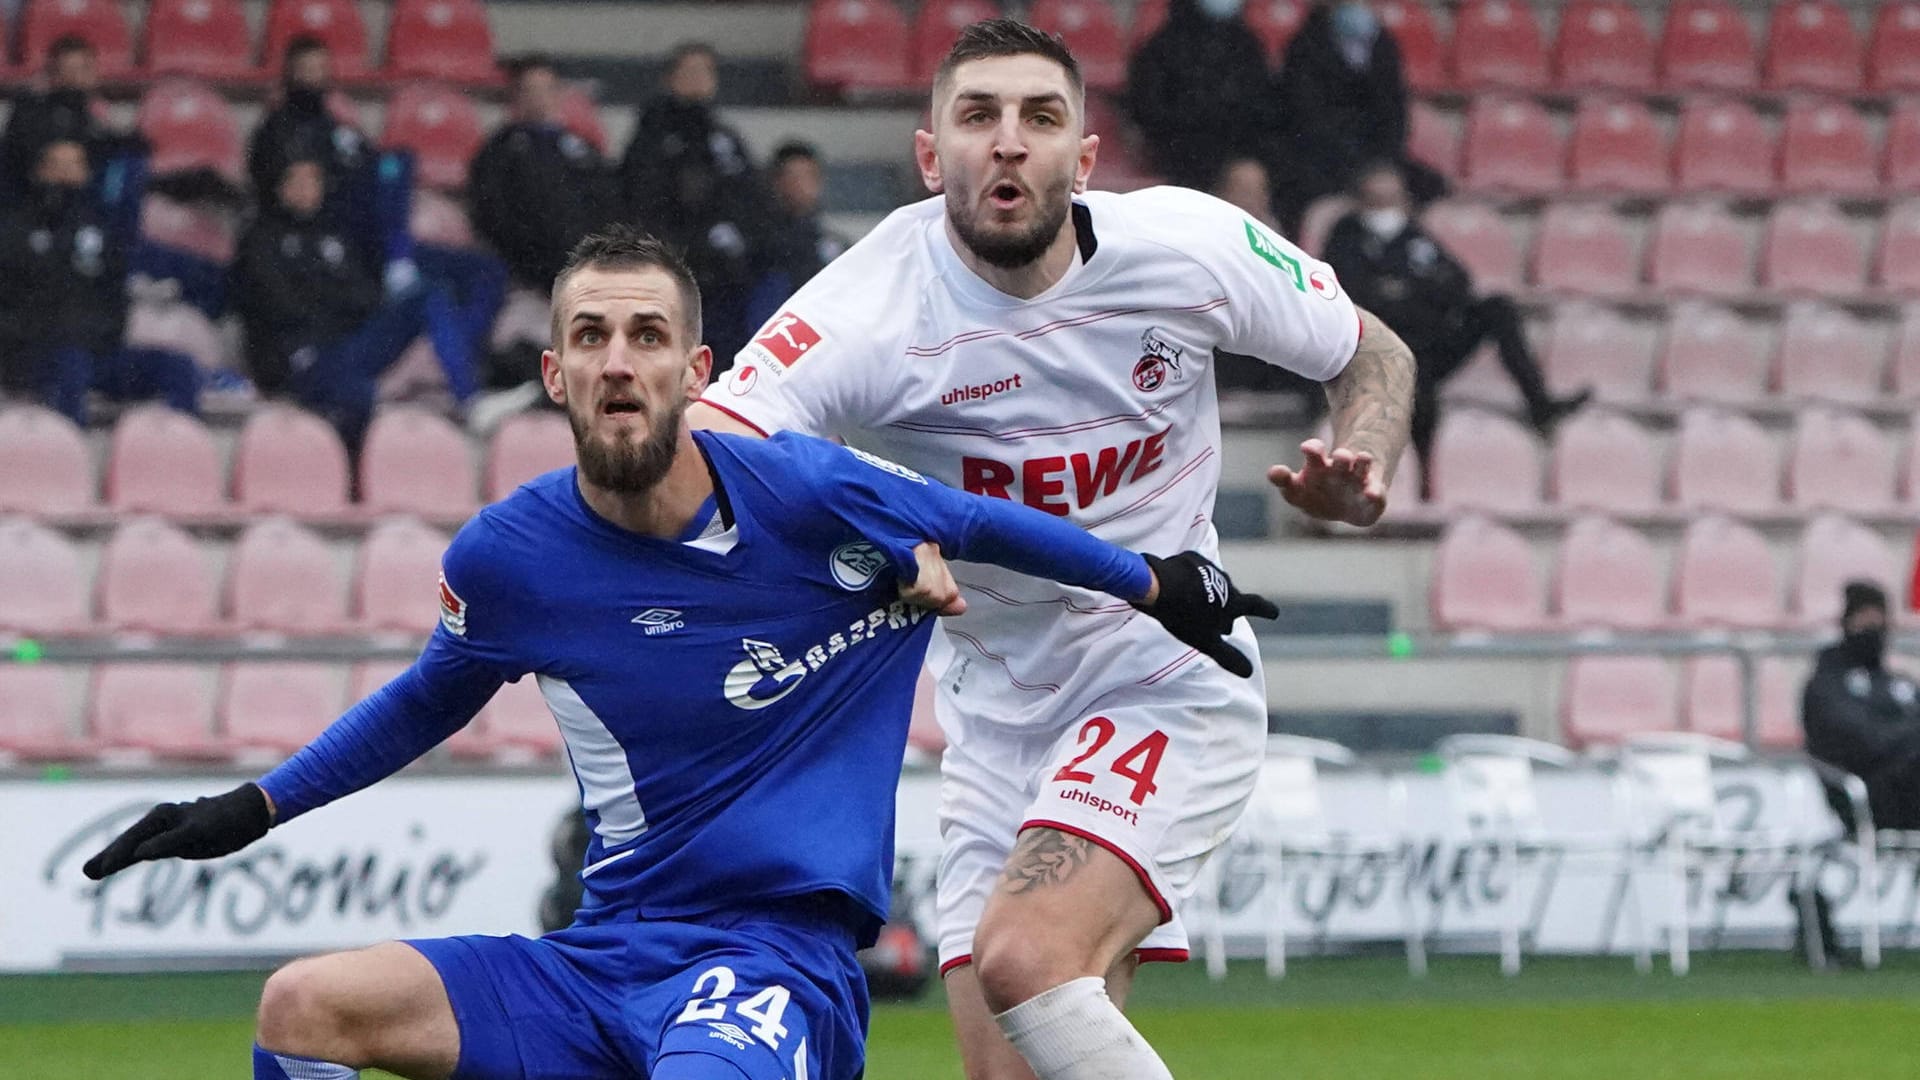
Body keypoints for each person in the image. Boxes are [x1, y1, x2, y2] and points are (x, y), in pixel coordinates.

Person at [81, 225, 1277, 1080]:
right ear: (553, 375)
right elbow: (419, 704)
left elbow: (973, 522)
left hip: (773, 963)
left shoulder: (807, 492)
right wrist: (251, 807)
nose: (618, 359)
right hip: (597, 957)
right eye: (590, 337)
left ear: (695, 373)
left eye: (647, 336)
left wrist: (1156, 582)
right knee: (303, 1008)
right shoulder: (511, 557)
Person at [690, 19, 1416, 1080]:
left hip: (1167, 670)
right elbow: (714, 447)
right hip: (993, 713)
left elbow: (1370, 350)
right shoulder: (873, 304)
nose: (1009, 142)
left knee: (1023, 957)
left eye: (1041, 118)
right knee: (1014, 1061)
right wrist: (877, 533)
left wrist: (1361, 460)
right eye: (978, 117)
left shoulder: (1187, 247)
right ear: (932, 156)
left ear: (1083, 159)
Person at [1321, 160, 1586, 496]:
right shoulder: (1346, 235)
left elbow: (1458, 283)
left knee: (1497, 309)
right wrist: (1414, 292)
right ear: (1361, 199)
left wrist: (1403, 290)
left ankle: (1540, 405)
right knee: (1419, 393)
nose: (1389, 209)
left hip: (1431, 343)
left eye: (1395, 199)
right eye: (1379, 200)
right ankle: (1423, 486)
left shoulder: (1413, 236)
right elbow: (1350, 293)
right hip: (1380, 350)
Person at [232, 159, 488, 455]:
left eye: (313, 181)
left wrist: (324, 295)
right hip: (300, 356)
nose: (307, 189)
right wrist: (333, 297)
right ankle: (348, 478)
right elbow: (279, 307)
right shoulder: (260, 239)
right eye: (297, 181)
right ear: (280, 187)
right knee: (356, 394)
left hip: (347, 344)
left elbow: (366, 296)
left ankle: (471, 401)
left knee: (430, 296)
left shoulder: (333, 235)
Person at [0, 139, 199, 422]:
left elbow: (115, 294)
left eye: (75, 165)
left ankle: (177, 453)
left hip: (97, 352)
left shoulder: (101, 227)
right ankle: (68, 458)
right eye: (58, 165)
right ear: (39, 172)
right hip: (32, 356)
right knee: (71, 365)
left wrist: (100, 334)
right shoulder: (14, 230)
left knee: (180, 368)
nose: (67, 174)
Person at [621, 42, 769, 373]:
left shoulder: (725, 138)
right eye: (690, 72)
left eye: (706, 71)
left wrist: (741, 240)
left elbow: (754, 197)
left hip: (727, 278)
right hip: (674, 269)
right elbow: (642, 200)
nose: (699, 80)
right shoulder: (652, 136)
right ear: (670, 78)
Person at [1270, 1, 1444, 232]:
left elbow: (1395, 116)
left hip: (1380, 157)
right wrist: (1361, 173)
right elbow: (1310, 121)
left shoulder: (1383, 46)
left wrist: (1383, 168)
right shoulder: (1304, 47)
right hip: (1326, 161)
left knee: (1431, 185)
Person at [470, 54, 619, 293]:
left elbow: (608, 204)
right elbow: (492, 215)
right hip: (524, 276)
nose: (538, 97)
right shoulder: (499, 150)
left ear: (558, 93)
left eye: (546, 89)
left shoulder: (582, 148)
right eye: (529, 90)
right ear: (516, 96)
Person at [1124, 0, 1276, 191]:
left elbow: (1264, 110)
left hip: (1239, 157)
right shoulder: (1162, 48)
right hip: (1182, 163)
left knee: (1249, 177)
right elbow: (1149, 111)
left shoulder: (1248, 46)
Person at [247, 36, 373, 221]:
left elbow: (363, 165)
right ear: (291, 72)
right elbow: (261, 176)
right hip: (283, 224)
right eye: (307, 69)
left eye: (320, 69)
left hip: (335, 223)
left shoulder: (339, 124)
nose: (314, 76)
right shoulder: (274, 127)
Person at [0, 35, 137, 197]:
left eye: (83, 69)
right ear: (55, 72)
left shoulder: (100, 110)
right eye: (68, 69)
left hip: (89, 193)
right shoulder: (30, 105)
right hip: (33, 195)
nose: (75, 77)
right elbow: (19, 151)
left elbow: (118, 145)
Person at [759, 140, 849, 297]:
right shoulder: (760, 245)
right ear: (776, 181)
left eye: (809, 176)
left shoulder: (834, 245)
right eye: (792, 176)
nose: (801, 185)